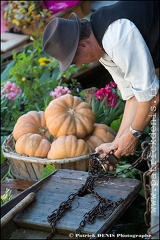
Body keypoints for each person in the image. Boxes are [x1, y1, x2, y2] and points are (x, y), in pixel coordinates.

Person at [43, 2, 159, 237]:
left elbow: (151, 95)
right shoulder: (102, 46)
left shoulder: (117, 36)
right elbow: (133, 97)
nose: (79, 66)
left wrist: (134, 135)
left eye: (76, 61)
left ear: (83, 44)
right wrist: (118, 143)